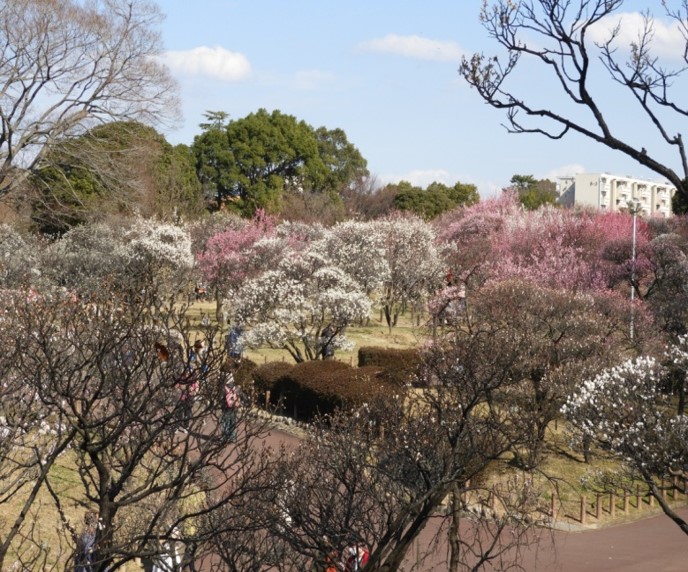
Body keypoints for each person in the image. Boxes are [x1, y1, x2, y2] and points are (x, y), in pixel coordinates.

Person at [221, 370, 240, 443]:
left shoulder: (224, 388)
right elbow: (242, 396)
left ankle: (225, 437)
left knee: (225, 423)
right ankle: (233, 437)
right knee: (233, 422)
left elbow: (221, 398)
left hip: (226, 408)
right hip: (234, 408)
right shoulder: (236, 388)